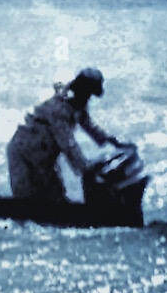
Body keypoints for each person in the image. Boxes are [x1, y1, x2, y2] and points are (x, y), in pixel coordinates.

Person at [7, 67, 119, 201]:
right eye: (89, 94)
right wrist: (85, 167)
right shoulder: (59, 108)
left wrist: (109, 140)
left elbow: (88, 125)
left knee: (56, 198)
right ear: (82, 89)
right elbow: (67, 144)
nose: (89, 98)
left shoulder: (78, 101)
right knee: (26, 200)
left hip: (44, 157)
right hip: (24, 154)